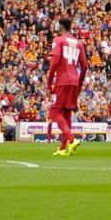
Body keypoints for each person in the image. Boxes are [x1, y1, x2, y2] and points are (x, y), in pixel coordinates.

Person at [48, 18, 87, 157]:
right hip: (74, 80)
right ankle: (64, 148)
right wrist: (80, 83)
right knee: (66, 113)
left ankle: (72, 140)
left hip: (62, 80)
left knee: (54, 113)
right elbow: (85, 66)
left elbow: (54, 62)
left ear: (60, 26)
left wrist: (49, 82)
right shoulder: (78, 43)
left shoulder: (58, 40)